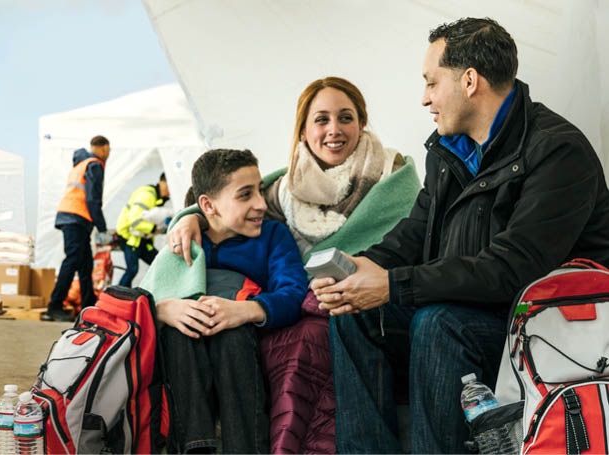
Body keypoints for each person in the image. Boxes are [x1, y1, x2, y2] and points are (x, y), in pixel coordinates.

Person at [311, 17, 609, 453]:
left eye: (432, 82)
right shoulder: (447, 151)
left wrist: (394, 285)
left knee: (438, 323)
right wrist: (359, 271)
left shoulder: (558, 151)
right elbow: (413, 232)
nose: (425, 98)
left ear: (469, 81)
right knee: (355, 312)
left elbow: (512, 270)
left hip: (538, 329)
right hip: (470, 308)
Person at [167, 77, 420, 453]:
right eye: (321, 119)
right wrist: (189, 217)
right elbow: (227, 207)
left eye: (345, 117)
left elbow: (415, 244)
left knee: (305, 342)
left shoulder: (392, 177)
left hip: (375, 304)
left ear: (362, 122)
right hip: (303, 306)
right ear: (303, 129)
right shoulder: (284, 189)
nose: (334, 129)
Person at [152, 148, 307, 453]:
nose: (261, 204)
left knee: (232, 335)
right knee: (178, 332)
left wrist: (245, 311)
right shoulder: (183, 240)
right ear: (208, 205)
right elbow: (145, 294)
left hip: (244, 347)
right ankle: (196, 448)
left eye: (260, 191)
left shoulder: (273, 236)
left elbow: (293, 293)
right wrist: (164, 309)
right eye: (245, 195)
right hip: (187, 353)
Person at [42, 135, 111, 322]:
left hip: (71, 217)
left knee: (85, 263)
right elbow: (92, 200)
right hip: (76, 218)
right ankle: (54, 307)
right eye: (108, 151)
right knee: (72, 260)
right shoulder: (95, 165)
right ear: (104, 148)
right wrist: (103, 229)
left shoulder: (80, 163)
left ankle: (88, 308)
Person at [115, 172, 171, 287]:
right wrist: (154, 228)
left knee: (160, 265)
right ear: (161, 182)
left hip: (142, 240)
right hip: (130, 239)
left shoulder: (158, 198)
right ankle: (116, 298)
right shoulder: (147, 195)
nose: (170, 191)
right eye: (168, 186)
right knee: (132, 270)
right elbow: (134, 221)